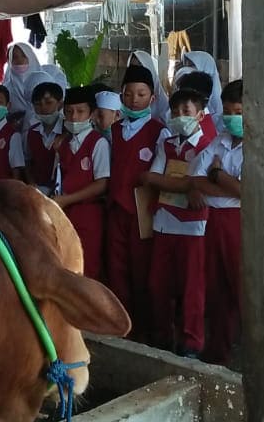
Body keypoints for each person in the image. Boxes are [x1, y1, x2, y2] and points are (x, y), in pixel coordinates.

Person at [142, 87, 215, 358]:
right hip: (164, 221)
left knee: (191, 287)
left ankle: (191, 342)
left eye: (187, 111)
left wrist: (189, 185)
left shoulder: (209, 145)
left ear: (200, 115)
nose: (180, 115)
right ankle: (162, 336)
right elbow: (150, 177)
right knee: (158, 284)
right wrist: (188, 185)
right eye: (176, 111)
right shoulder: (167, 143)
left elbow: (202, 183)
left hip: (193, 226)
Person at [105, 63, 168, 338]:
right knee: (116, 269)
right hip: (115, 208)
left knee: (142, 270)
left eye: (141, 95)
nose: (134, 100)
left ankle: (145, 331)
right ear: (121, 96)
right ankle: (122, 327)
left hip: (142, 210)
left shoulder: (159, 131)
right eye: (129, 94)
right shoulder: (115, 130)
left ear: (152, 98)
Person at [195, 80, 244, 366]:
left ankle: (251, 353)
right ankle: (218, 350)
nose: (231, 117)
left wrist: (217, 176)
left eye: (237, 110)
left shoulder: (259, 144)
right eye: (226, 111)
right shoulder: (220, 140)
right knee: (217, 289)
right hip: (215, 219)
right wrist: (227, 184)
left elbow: (247, 193)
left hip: (240, 222)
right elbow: (194, 178)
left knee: (242, 288)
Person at [51, 85, 111, 279]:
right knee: (65, 264)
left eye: (80, 112)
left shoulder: (98, 143)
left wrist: (69, 199)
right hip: (65, 212)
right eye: (69, 112)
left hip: (89, 213)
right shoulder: (63, 144)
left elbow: (102, 183)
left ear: (92, 114)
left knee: (88, 265)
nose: (74, 117)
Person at [24, 80, 64, 194]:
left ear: (60, 104)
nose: (43, 108)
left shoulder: (68, 131)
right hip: (39, 191)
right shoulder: (32, 132)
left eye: (49, 102)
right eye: (38, 104)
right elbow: (28, 162)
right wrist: (32, 184)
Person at [180, 51, 224, 126]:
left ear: (206, 66)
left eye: (192, 65)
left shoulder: (219, 109)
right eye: (186, 64)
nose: (188, 68)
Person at [3, 42, 41, 115]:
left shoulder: (43, 82)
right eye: (14, 57)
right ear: (10, 61)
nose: (19, 60)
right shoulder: (6, 89)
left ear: (31, 57)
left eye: (24, 56)